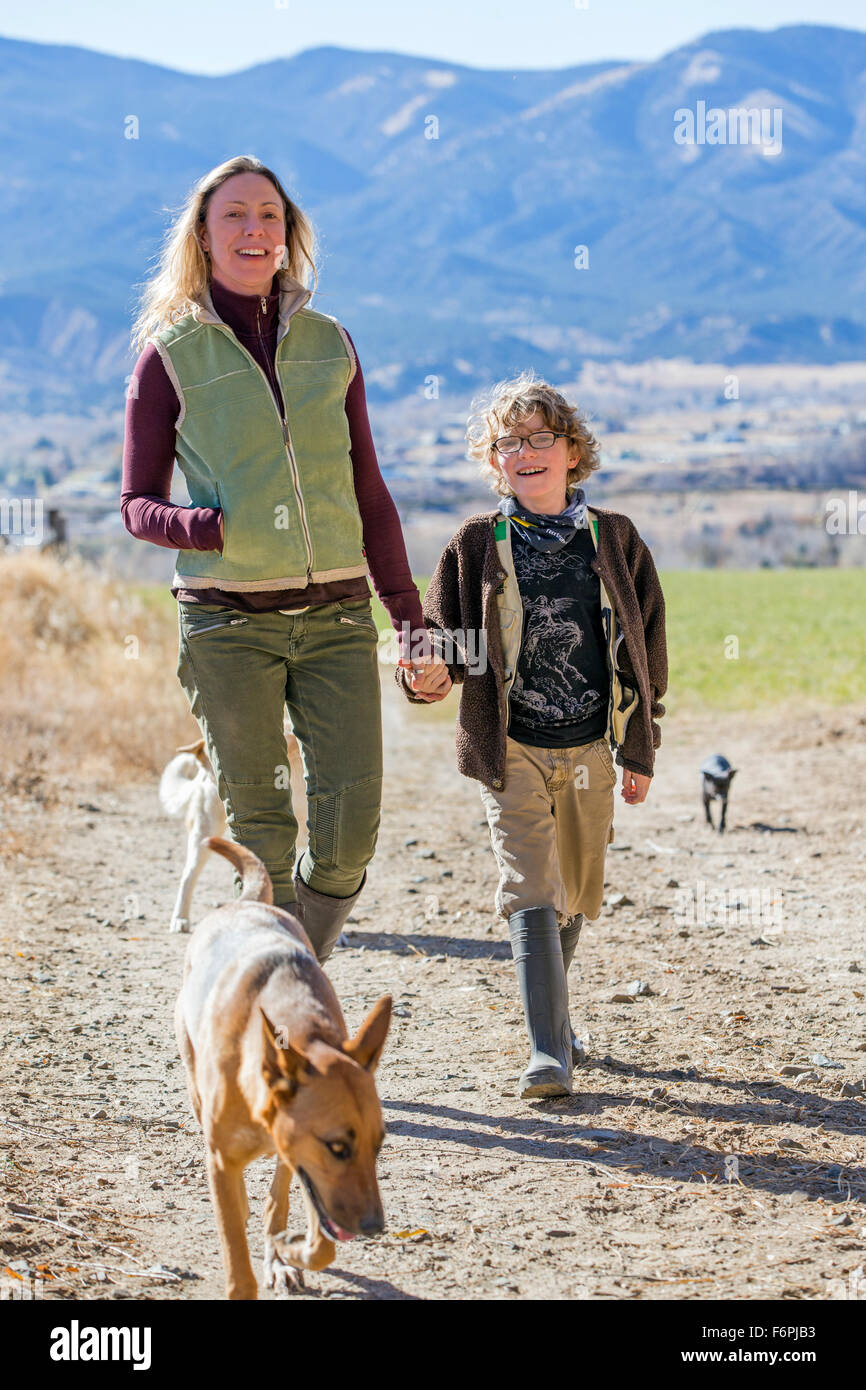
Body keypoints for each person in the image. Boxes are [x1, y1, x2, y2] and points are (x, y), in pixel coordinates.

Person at [122, 154, 425, 963]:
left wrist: (409, 618)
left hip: (334, 617)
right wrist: (207, 529)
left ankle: (297, 968)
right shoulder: (171, 355)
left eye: (269, 216)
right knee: (260, 827)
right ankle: (283, 1012)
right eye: (235, 216)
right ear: (204, 236)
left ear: (289, 238)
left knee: (350, 832)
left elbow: (368, 487)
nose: (254, 230)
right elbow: (135, 503)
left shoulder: (332, 345)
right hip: (227, 626)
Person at [397, 373, 668, 1098]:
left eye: (541, 438)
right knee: (529, 887)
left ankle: (557, 1018)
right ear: (494, 464)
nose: (526, 452)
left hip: (588, 748)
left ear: (573, 450)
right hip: (509, 747)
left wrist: (639, 746)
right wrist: (423, 676)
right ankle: (549, 1053)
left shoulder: (615, 539)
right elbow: (445, 646)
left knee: (575, 890)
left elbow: (647, 648)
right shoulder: (475, 545)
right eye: (508, 443)